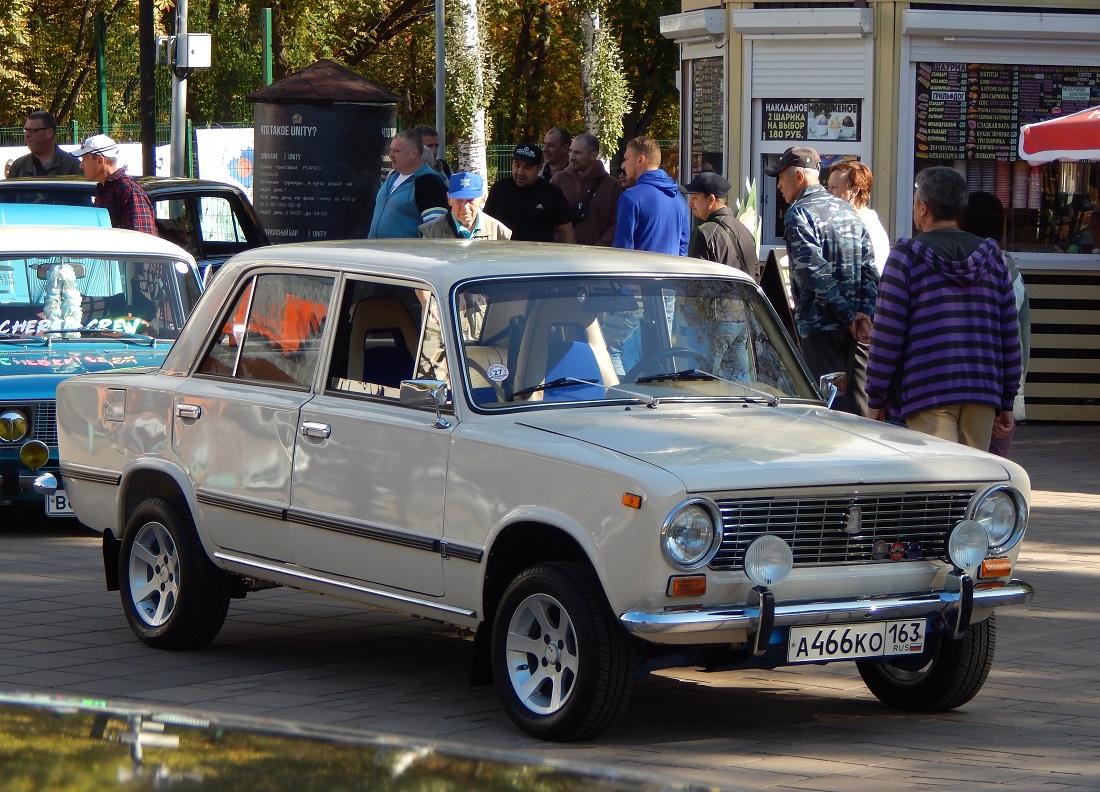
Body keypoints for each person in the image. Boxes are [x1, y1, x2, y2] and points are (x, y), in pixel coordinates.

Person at [866, 167, 1021, 450]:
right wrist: (1007, 398)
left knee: (940, 480)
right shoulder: (993, 258)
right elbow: (1009, 334)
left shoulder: (906, 257)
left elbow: (887, 334)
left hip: (928, 388)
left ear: (923, 208)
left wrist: (875, 398)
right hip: (982, 388)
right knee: (973, 479)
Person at [766, 146, 876, 415]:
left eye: (781, 177)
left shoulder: (799, 213)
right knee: (858, 404)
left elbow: (814, 273)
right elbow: (869, 270)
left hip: (821, 326)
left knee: (827, 407)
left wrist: (850, 316)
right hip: (855, 329)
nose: (779, 185)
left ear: (799, 177)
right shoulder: (849, 210)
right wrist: (863, 315)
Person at [960, 191, 1030, 457]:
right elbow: (1012, 338)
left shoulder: (940, 263)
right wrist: (1009, 401)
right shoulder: (1008, 269)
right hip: (996, 388)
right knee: (992, 470)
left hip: (949, 389)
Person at [612, 136, 690, 256]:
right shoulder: (679, 198)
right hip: (672, 273)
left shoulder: (631, 197)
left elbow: (622, 251)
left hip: (640, 273)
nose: (625, 165)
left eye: (627, 159)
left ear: (640, 160)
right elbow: (683, 249)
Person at [484, 143, 575, 243]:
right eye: (517, 165)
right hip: (504, 255)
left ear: (539, 168)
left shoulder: (552, 194)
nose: (520, 171)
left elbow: (566, 233)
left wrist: (569, 257)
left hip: (539, 256)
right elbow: (486, 224)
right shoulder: (499, 189)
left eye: (527, 167)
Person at [368, 130, 448, 239]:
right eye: (391, 150)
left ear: (414, 153)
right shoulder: (392, 177)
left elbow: (435, 231)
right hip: (375, 252)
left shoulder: (430, 182)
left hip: (404, 254)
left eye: (397, 151)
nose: (391, 155)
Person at [72, 134, 158, 235]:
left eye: (84, 159)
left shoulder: (129, 190)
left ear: (100, 161)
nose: (81, 165)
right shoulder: (104, 189)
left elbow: (142, 239)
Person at [682, 172, 759, 281]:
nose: (690, 203)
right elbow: (755, 276)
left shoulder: (703, 233)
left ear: (711, 200)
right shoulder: (745, 231)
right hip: (746, 297)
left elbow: (695, 284)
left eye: (694, 197)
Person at [550, 132, 622, 246]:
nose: (572, 157)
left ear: (593, 155)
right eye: (571, 151)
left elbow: (616, 224)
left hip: (597, 258)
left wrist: (599, 248)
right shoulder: (558, 180)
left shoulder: (611, 186)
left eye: (577, 153)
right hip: (561, 256)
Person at [826, 160, 890, 275]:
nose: (828, 192)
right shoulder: (864, 222)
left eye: (834, 187)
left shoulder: (863, 227)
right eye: (828, 186)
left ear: (854, 191)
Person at [418, 171, 511, 240]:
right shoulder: (431, 232)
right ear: (449, 199)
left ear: (482, 199)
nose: (465, 206)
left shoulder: (498, 231)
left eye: (470, 200)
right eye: (458, 200)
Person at [7, 111, 83, 178]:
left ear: (49, 133)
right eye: (25, 130)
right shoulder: (18, 166)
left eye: (31, 130)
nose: (27, 135)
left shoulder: (72, 166)